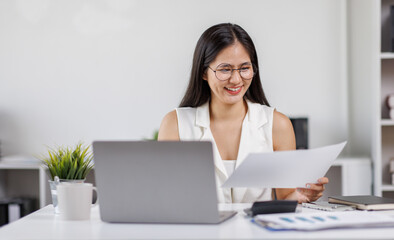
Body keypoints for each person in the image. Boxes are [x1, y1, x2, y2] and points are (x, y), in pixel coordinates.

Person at [158, 23, 328, 203]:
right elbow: (168, 198)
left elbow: (285, 197)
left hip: (260, 230)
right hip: (201, 230)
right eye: (225, 69)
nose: (236, 79)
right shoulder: (175, 124)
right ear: (203, 72)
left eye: (244, 68)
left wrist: (302, 195)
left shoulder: (277, 125)